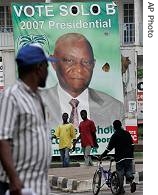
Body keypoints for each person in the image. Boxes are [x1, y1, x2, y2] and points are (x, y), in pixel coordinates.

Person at [0, 43, 58, 195]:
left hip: (39, 186)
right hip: (20, 187)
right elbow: (2, 140)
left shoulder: (38, 97)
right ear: (39, 68)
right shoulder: (11, 97)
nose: (48, 70)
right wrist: (14, 179)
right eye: (47, 66)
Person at [41, 32, 125, 131]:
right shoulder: (35, 104)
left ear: (93, 64)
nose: (79, 69)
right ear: (53, 63)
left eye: (86, 62)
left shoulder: (114, 107)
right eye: (69, 60)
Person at [99, 120, 136, 194]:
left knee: (120, 173)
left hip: (120, 157)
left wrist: (103, 155)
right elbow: (132, 145)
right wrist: (131, 155)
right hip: (129, 156)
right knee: (128, 171)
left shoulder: (115, 135)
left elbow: (109, 148)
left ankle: (121, 189)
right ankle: (132, 182)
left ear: (114, 127)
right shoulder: (127, 133)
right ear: (121, 125)